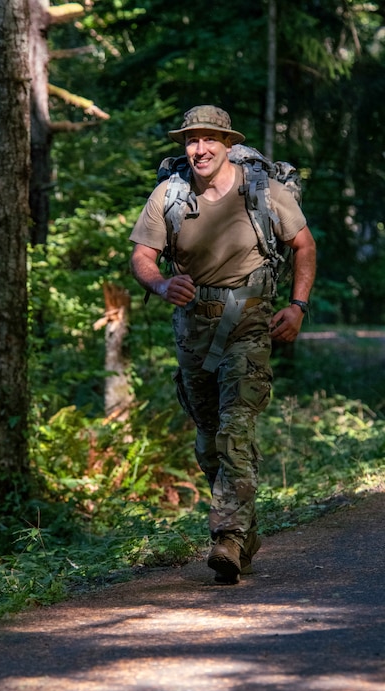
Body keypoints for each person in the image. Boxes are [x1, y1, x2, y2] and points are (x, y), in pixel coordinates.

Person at [129, 105, 316, 584]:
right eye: (191, 140)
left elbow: (304, 245)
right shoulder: (168, 195)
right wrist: (160, 286)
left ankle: (227, 537)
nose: (200, 148)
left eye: (210, 139)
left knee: (235, 429)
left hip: (249, 326)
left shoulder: (262, 191)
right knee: (209, 441)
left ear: (228, 143)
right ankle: (245, 532)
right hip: (193, 331)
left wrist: (297, 306)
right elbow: (143, 256)